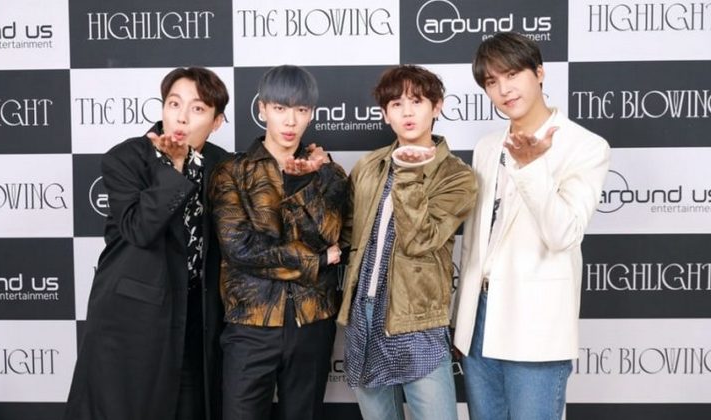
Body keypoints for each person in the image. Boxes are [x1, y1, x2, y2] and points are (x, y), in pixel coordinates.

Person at [453, 32, 611, 420]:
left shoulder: (586, 146)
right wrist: (464, 320)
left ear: (539, 73)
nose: (504, 89)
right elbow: (475, 241)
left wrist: (532, 168)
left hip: (535, 323)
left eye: (512, 74)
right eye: (492, 81)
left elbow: (563, 234)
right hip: (479, 321)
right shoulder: (487, 146)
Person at [64, 67, 230, 420]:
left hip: (195, 318)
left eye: (198, 109)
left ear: (217, 122)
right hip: (132, 317)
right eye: (174, 104)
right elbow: (140, 229)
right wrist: (175, 167)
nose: (181, 117)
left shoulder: (223, 164)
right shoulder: (126, 158)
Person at [337, 64, 477, 420]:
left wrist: (410, 174)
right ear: (385, 114)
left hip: (417, 319)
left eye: (417, 101)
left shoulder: (457, 176)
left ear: (437, 106)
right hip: (365, 312)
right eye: (396, 104)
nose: (407, 112)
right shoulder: (368, 166)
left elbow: (420, 239)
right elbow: (347, 233)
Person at [209, 64, 348, 420]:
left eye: (300, 109)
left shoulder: (328, 172)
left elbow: (331, 236)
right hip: (250, 323)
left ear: (311, 114)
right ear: (262, 109)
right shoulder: (232, 172)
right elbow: (240, 249)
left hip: (312, 321)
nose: (290, 120)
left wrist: (303, 185)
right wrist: (316, 261)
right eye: (280, 108)